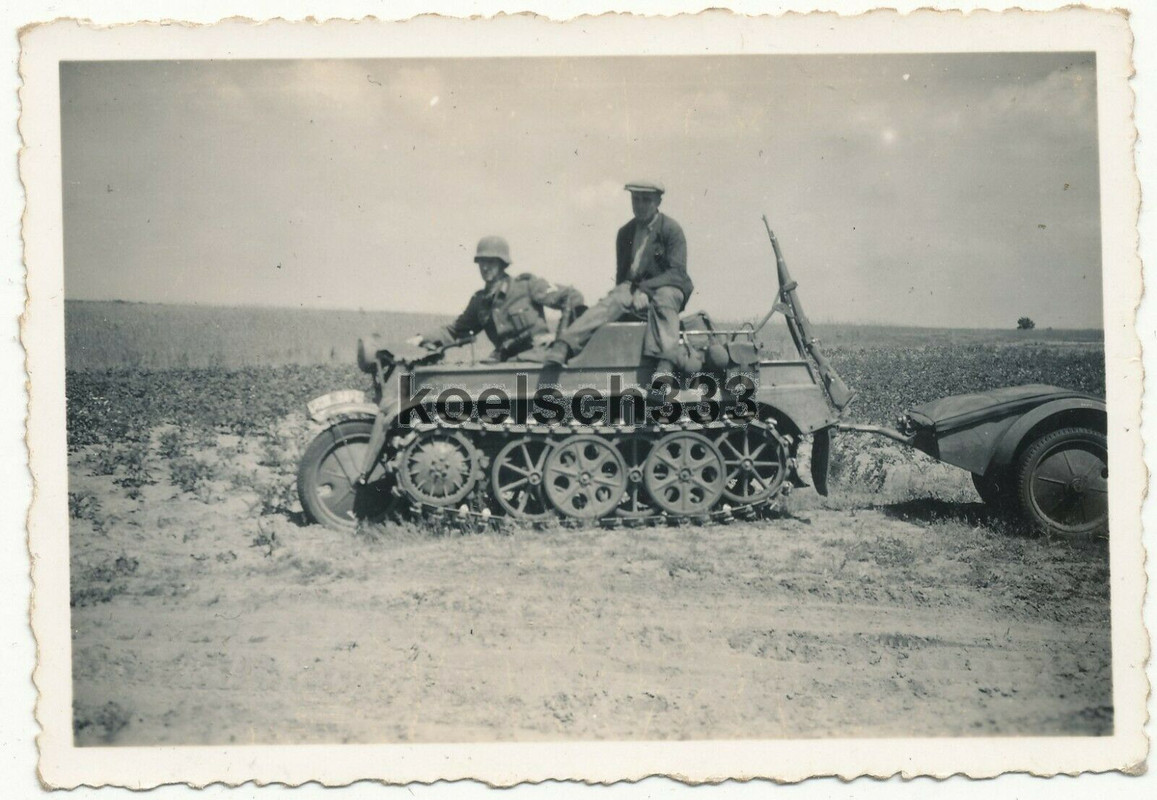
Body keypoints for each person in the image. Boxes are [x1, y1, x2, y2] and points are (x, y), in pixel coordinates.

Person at [543, 180, 692, 379]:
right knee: (611, 301)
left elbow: (677, 273)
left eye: (646, 200)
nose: (640, 205)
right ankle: (564, 345)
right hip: (634, 287)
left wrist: (646, 291)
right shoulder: (625, 232)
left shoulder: (671, 230)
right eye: (635, 199)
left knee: (664, 298)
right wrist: (626, 300)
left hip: (667, 286)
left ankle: (665, 365)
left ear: (658, 201)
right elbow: (622, 278)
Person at [415, 235, 583, 362]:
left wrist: (562, 341)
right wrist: (422, 338)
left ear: (502, 263)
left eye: (491, 262)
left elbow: (572, 296)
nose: (485, 267)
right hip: (507, 364)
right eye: (481, 262)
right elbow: (454, 331)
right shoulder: (480, 302)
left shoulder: (526, 286)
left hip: (539, 361)